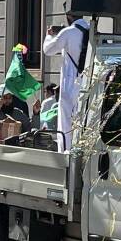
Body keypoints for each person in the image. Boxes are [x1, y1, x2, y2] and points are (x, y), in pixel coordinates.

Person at [42, 11, 90, 151]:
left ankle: (67, 154)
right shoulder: (92, 31)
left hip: (70, 85)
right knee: (84, 122)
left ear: (69, 16)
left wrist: (49, 35)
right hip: (87, 83)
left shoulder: (68, 32)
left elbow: (48, 50)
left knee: (66, 123)